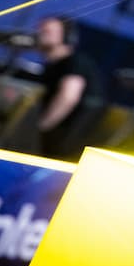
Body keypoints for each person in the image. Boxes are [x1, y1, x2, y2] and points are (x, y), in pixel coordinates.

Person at [34, 15, 105, 160]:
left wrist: (41, 126)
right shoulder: (53, 66)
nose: (39, 36)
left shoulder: (74, 62)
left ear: (67, 37)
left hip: (66, 144)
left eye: (47, 32)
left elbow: (68, 97)